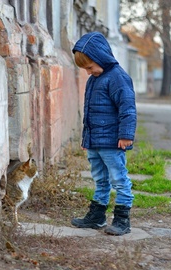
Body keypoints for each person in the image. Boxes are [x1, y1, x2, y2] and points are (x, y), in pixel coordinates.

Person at [70, 32, 137, 236]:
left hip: (112, 143)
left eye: (90, 67)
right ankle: (97, 216)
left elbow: (127, 108)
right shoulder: (94, 80)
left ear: (101, 57)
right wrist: (86, 139)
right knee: (100, 179)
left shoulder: (118, 78)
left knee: (119, 179)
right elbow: (89, 112)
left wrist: (126, 135)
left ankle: (122, 219)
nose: (88, 72)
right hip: (95, 142)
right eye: (85, 69)